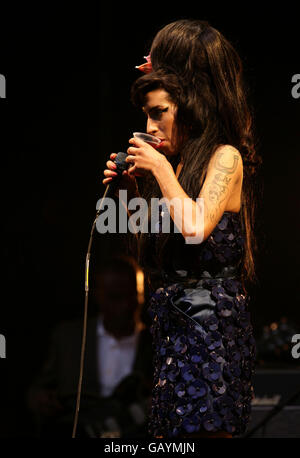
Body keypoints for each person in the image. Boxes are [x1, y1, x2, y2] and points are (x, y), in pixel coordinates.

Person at [103, 19, 262, 438]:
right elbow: (144, 250)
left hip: (212, 339)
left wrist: (158, 169)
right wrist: (128, 192)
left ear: (190, 107)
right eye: (146, 116)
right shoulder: (172, 169)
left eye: (160, 114)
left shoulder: (225, 158)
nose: (151, 128)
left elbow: (195, 228)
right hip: (171, 337)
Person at [27, 255, 153, 437]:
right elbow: (40, 387)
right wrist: (39, 398)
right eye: (115, 297)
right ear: (97, 295)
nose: (126, 305)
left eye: (134, 294)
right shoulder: (68, 338)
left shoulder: (158, 343)